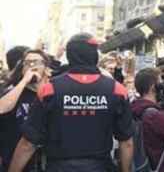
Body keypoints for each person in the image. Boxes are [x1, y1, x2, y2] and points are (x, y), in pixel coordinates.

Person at [9, 33, 134, 172]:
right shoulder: (117, 90)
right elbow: (126, 142)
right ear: (95, 56)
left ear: (69, 56)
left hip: (59, 166)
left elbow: (28, 143)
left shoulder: (49, 89)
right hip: (100, 166)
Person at [0, 49, 49, 172]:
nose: (32, 66)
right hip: (14, 161)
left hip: (44, 162)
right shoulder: (14, 91)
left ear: (46, 67)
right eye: (27, 63)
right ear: (22, 68)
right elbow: (1, 108)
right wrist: (24, 82)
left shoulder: (52, 91)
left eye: (36, 62)